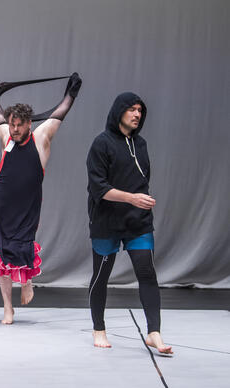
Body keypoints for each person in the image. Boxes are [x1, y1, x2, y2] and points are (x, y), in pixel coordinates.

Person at [0, 74, 81, 324]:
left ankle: (27, 282)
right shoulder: (7, 139)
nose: (13, 129)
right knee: (1, 255)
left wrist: (71, 93)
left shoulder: (42, 138)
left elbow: (60, 113)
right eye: (11, 124)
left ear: (28, 125)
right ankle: (7, 308)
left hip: (26, 208)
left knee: (22, 248)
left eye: (19, 125)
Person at [86, 92, 172, 354]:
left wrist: (139, 203)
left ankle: (154, 333)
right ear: (119, 111)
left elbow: (141, 181)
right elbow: (98, 188)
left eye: (140, 110)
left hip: (138, 222)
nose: (137, 114)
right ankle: (98, 328)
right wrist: (131, 199)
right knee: (101, 276)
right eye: (132, 109)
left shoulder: (141, 144)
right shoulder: (101, 144)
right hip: (106, 220)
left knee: (147, 273)